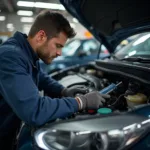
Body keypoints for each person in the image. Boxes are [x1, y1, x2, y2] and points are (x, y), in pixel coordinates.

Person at [0, 10, 109, 150]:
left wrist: (63, 90)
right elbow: (34, 111)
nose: (59, 53)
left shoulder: (26, 52)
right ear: (41, 36)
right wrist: (81, 102)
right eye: (58, 46)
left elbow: (41, 77)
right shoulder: (11, 57)